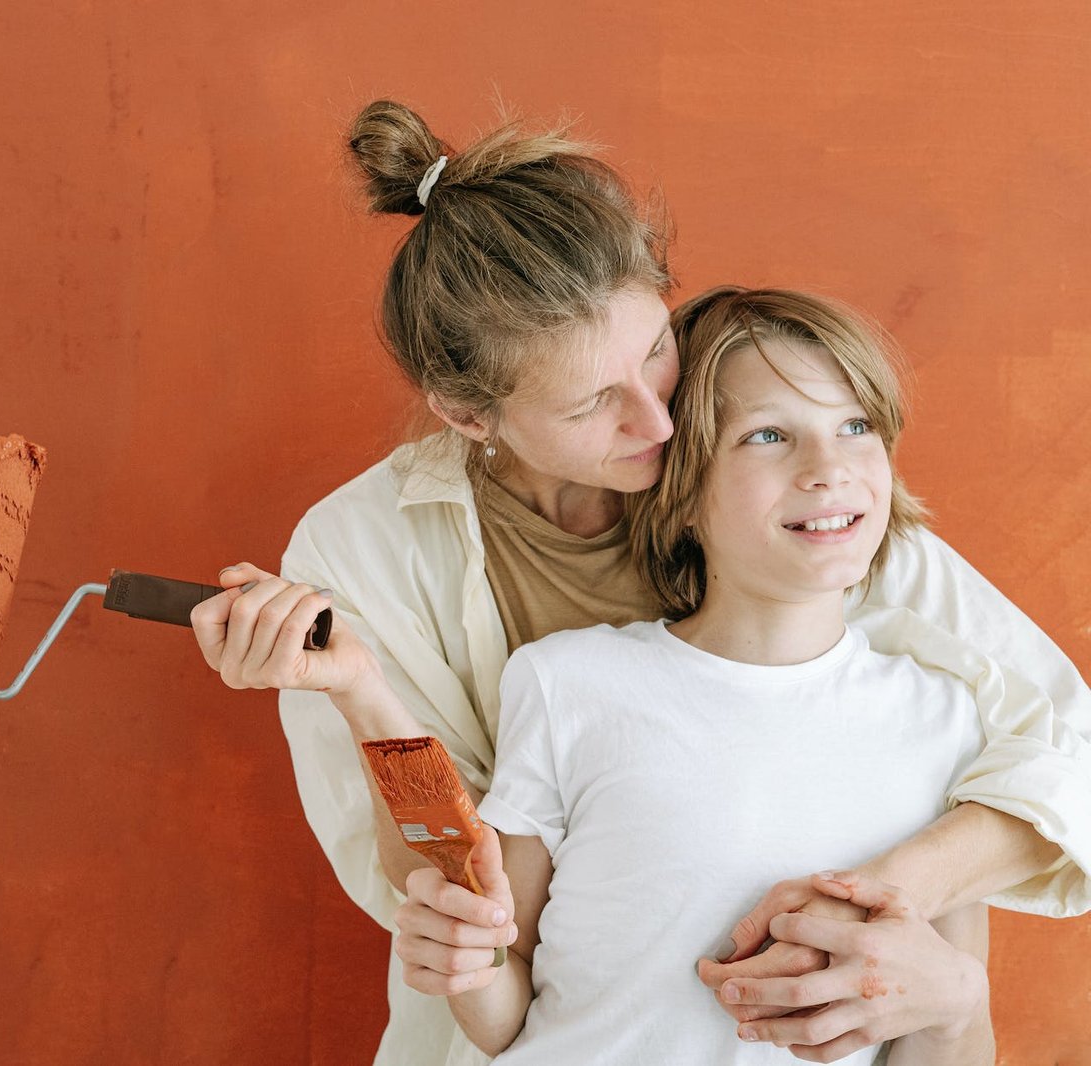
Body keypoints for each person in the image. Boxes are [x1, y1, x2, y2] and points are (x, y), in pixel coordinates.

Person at [191, 101, 1091, 1065]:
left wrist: (899, 902)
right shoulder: (365, 550)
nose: (662, 426)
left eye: (655, 347)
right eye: (591, 403)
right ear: (467, 414)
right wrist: (363, 695)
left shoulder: (793, 475)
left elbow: (1062, 749)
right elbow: (456, 912)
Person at [404, 285, 1025, 1064]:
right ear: (686, 489)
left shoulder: (945, 719)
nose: (828, 468)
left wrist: (953, 1004)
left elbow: (948, 1035)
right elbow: (507, 1010)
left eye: (856, 427)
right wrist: (466, 960)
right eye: (769, 435)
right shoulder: (566, 684)